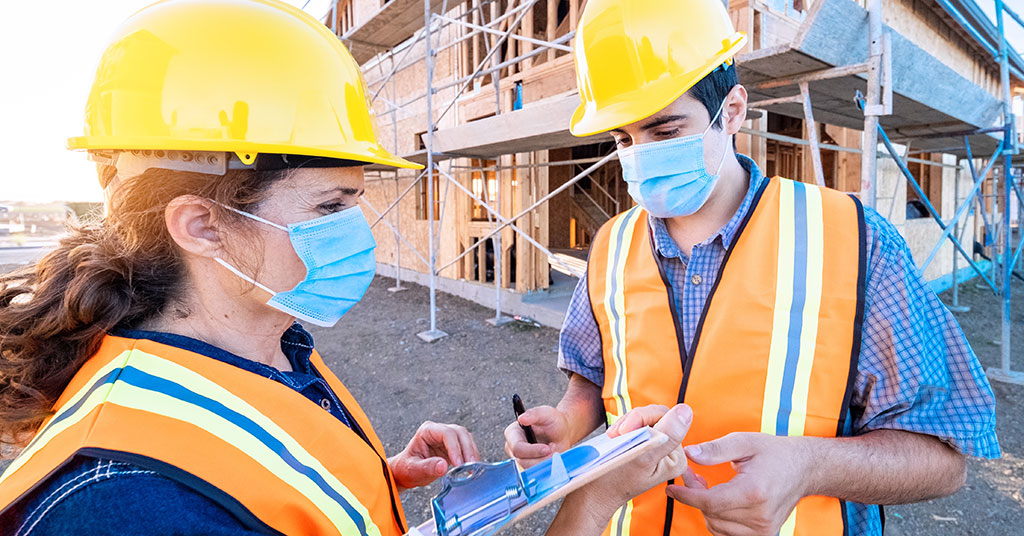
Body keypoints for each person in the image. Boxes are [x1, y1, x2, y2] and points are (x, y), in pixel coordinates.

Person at [0, 1, 690, 535]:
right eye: (331, 206)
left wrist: (369, 479)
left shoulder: (270, 348)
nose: (357, 233)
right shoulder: (122, 503)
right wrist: (591, 502)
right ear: (202, 225)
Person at [505, 1, 1001, 535]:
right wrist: (568, 423)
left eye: (665, 131)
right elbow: (594, 381)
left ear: (734, 110)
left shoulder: (854, 241)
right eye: (624, 140)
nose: (640, 157)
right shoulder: (610, 245)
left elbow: (945, 456)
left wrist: (812, 467)